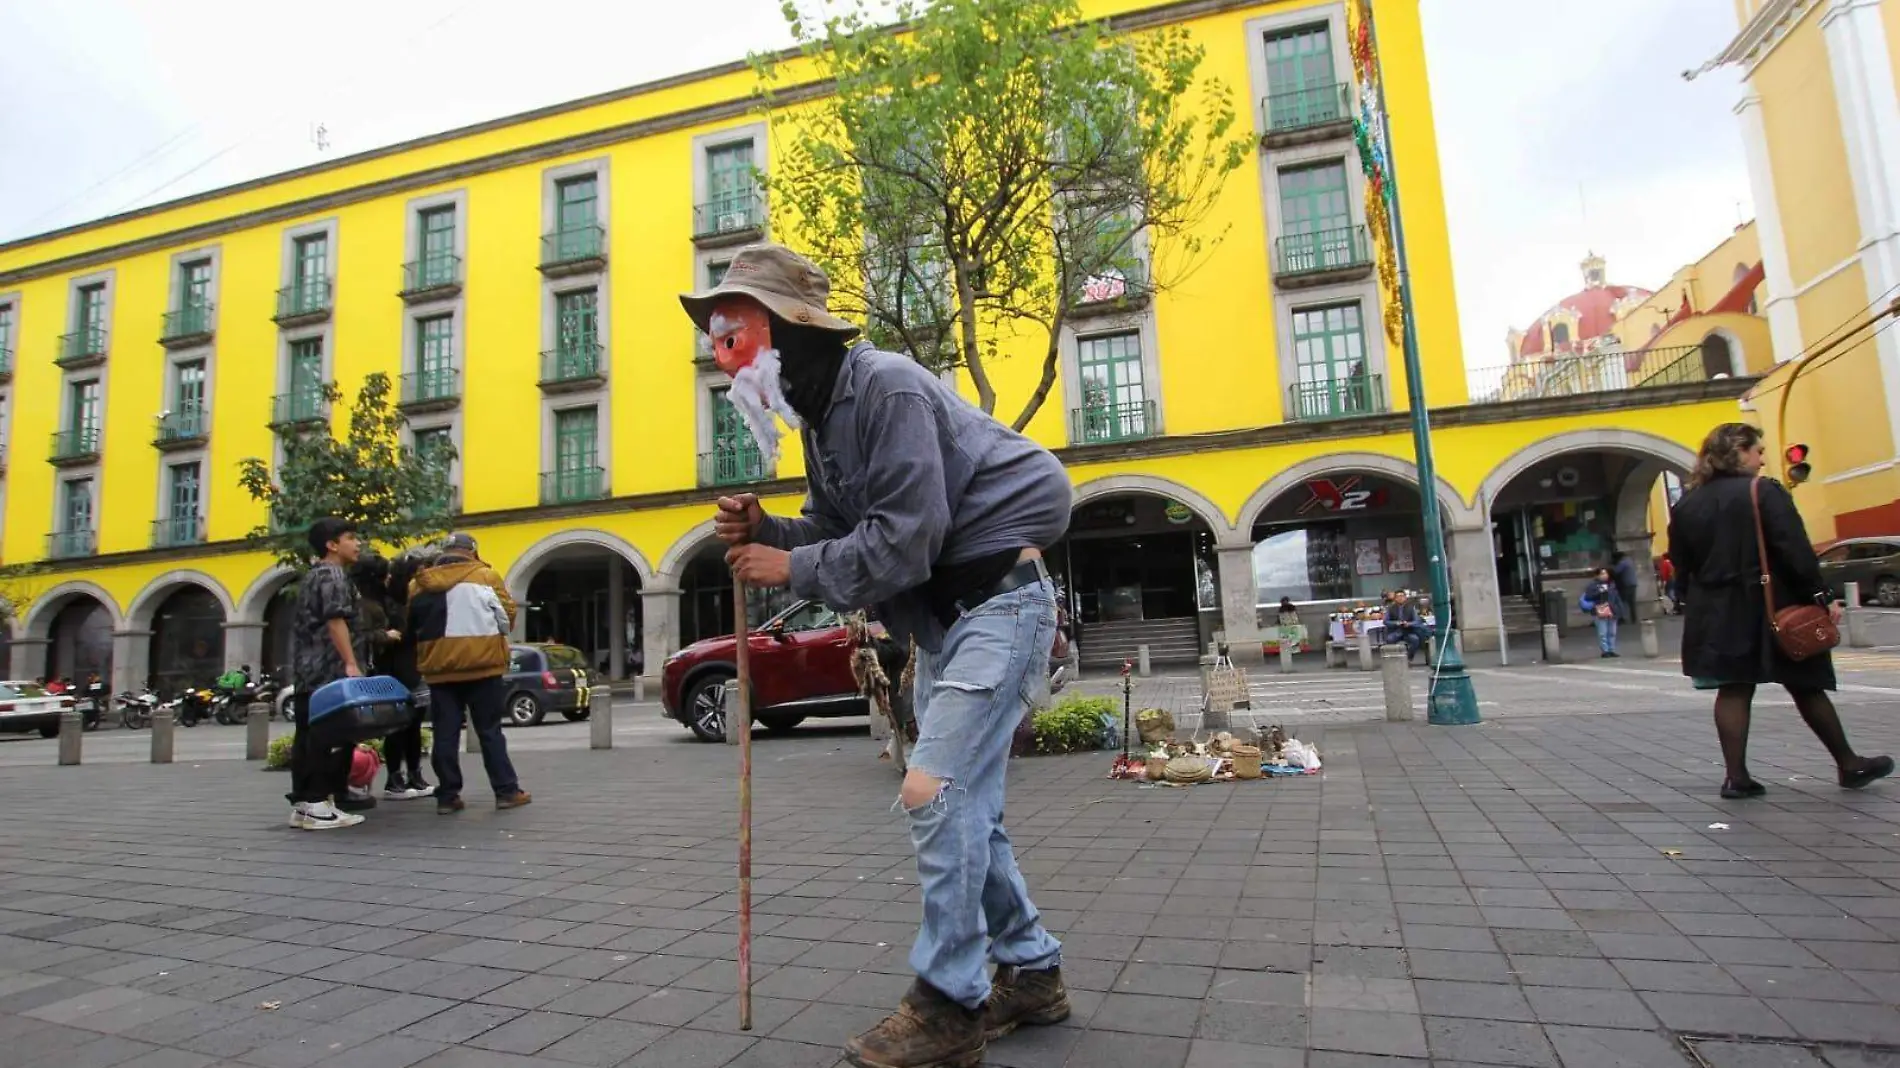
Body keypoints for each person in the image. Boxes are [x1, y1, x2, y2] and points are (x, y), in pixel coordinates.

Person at [685, 244, 1069, 1068]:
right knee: (971, 810)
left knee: (933, 789)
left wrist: (786, 566)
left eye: (738, 338)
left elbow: (905, 537)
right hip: (945, 619)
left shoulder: (884, 385)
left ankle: (948, 1005)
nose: (728, 360)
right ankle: (1032, 971)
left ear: (793, 332)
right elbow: (837, 531)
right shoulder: (827, 421)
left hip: (1000, 601)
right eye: (721, 344)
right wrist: (768, 532)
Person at [1668, 422, 1893, 798]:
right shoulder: (1763, 491)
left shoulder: (1688, 503)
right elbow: (1794, 549)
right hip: (1773, 604)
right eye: (1758, 450)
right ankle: (1848, 762)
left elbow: (1682, 562)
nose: (1763, 458)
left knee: (1734, 688)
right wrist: (1820, 594)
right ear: (1738, 453)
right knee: (1806, 683)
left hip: (1718, 611)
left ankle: (1736, 776)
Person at [408, 532, 531, 814]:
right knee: (490, 732)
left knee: (445, 734)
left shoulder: (419, 584)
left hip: (439, 669)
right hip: (483, 664)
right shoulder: (486, 576)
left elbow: (411, 622)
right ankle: (506, 791)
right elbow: (508, 615)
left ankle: (448, 797)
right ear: (472, 552)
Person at [287, 518, 368, 830]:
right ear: (332, 545)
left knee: (308, 735)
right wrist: (351, 663)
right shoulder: (333, 575)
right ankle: (318, 801)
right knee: (329, 736)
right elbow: (336, 620)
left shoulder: (314, 575)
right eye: (350, 537)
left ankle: (308, 803)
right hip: (327, 669)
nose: (357, 543)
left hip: (310, 670)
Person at [381, 550, 435, 799]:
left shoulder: (415, 601)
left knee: (414, 724)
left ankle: (414, 773)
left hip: (415, 666)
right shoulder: (392, 605)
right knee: (397, 726)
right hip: (398, 670)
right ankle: (394, 777)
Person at [1580, 567, 1623, 658]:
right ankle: (1605, 650)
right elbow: (1588, 597)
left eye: (1606, 573)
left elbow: (1617, 598)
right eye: (1602, 574)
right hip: (1600, 610)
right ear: (1597, 575)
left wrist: (1619, 608)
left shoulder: (1612, 584)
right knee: (1602, 632)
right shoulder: (1593, 585)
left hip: (1612, 610)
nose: (1604, 576)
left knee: (1612, 632)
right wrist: (1599, 591)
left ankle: (1611, 649)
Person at [1382, 589, 1427, 663]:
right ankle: (1394, 659)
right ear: (1395, 598)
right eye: (1398, 596)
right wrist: (1396, 623)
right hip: (1396, 631)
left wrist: (1409, 624)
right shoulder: (1390, 608)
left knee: (1415, 639)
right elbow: (1385, 621)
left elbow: (1417, 621)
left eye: (1402, 596)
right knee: (1390, 639)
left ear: (1405, 597)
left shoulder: (1411, 608)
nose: (1400, 598)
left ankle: (1409, 658)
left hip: (1408, 631)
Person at [1611, 550, 1640, 624]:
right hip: (1633, 583)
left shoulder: (1622, 563)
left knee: (1623, 602)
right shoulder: (1630, 561)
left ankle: (1623, 618)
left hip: (1627, 585)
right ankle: (1634, 618)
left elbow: (1615, 571)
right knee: (1632, 602)